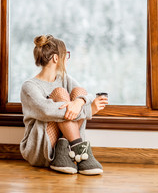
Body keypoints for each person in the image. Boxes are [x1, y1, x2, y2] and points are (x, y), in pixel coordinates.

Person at [20, 35, 108, 175]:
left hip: (66, 153)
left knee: (79, 92)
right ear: (56, 58)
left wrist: (79, 102)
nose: (67, 59)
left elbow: (87, 95)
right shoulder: (29, 87)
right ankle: (81, 150)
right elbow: (47, 111)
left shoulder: (64, 78)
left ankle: (63, 151)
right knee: (60, 93)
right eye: (66, 55)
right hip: (40, 150)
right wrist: (88, 110)